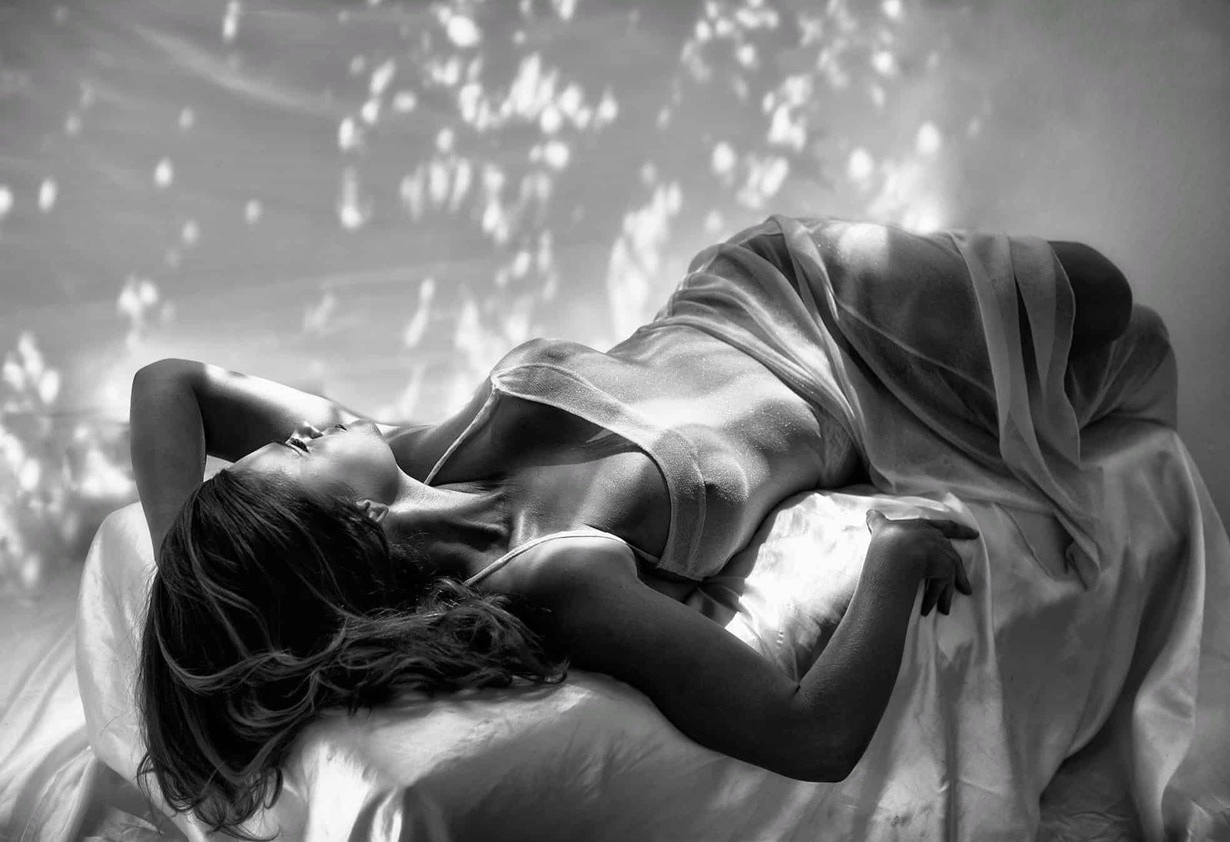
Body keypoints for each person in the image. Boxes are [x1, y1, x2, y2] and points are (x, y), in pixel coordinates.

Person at [130, 214, 1166, 837]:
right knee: (1117, 321)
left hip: (768, 286)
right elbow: (807, 734)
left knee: (1103, 303)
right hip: (848, 383)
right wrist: (894, 558)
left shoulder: (413, 454)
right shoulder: (552, 574)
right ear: (347, 523)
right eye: (297, 450)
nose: (311, 424)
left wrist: (194, 563)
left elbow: (172, 380)